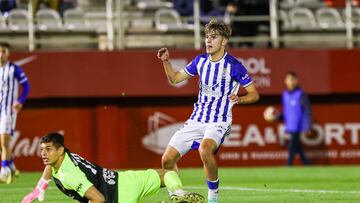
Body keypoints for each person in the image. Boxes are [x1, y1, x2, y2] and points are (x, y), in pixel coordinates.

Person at [157, 19, 259, 203]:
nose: (208, 41)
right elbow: (174, 78)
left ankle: (213, 199)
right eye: (207, 37)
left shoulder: (234, 65)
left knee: (205, 150)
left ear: (224, 41)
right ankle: (177, 196)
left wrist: (240, 99)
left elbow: (254, 94)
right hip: (197, 119)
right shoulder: (200, 61)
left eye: (214, 37)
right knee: (167, 160)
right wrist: (166, 62)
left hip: (219, 120)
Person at [22, 132, 204, 203]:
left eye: (48, 150)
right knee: (167, 174)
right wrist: (41, 187)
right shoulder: (62, 157)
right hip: (125, 179)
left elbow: (98, 199)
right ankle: (178, 193)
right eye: (42, 150)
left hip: (118, 198)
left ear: (60, 150)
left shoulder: (69, 175)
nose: (44, 154)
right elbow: (50, 164)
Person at [0, 42, 30, 184]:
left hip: (8, 111)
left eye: (3, 51)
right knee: (1, 143)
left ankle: (4, 170)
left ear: (8, 53)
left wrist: (20, 101)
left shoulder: (14, 69)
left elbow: (26, 85)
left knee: (4, 139)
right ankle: (10, 164)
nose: (1, 54)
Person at [266, 72, 311, 166]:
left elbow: (307, 110)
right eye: (288, 79)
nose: (290, 82)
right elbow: (286, 113)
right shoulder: (285, 95)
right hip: (289, 126)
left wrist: (308, 126)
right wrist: (276, 117)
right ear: (285, 81)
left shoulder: (300, 94)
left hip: (298, 126)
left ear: (296, 81)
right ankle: (307, 164)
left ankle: (288, 166)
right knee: (298, 148)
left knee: (291, 147)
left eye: (292, 79)